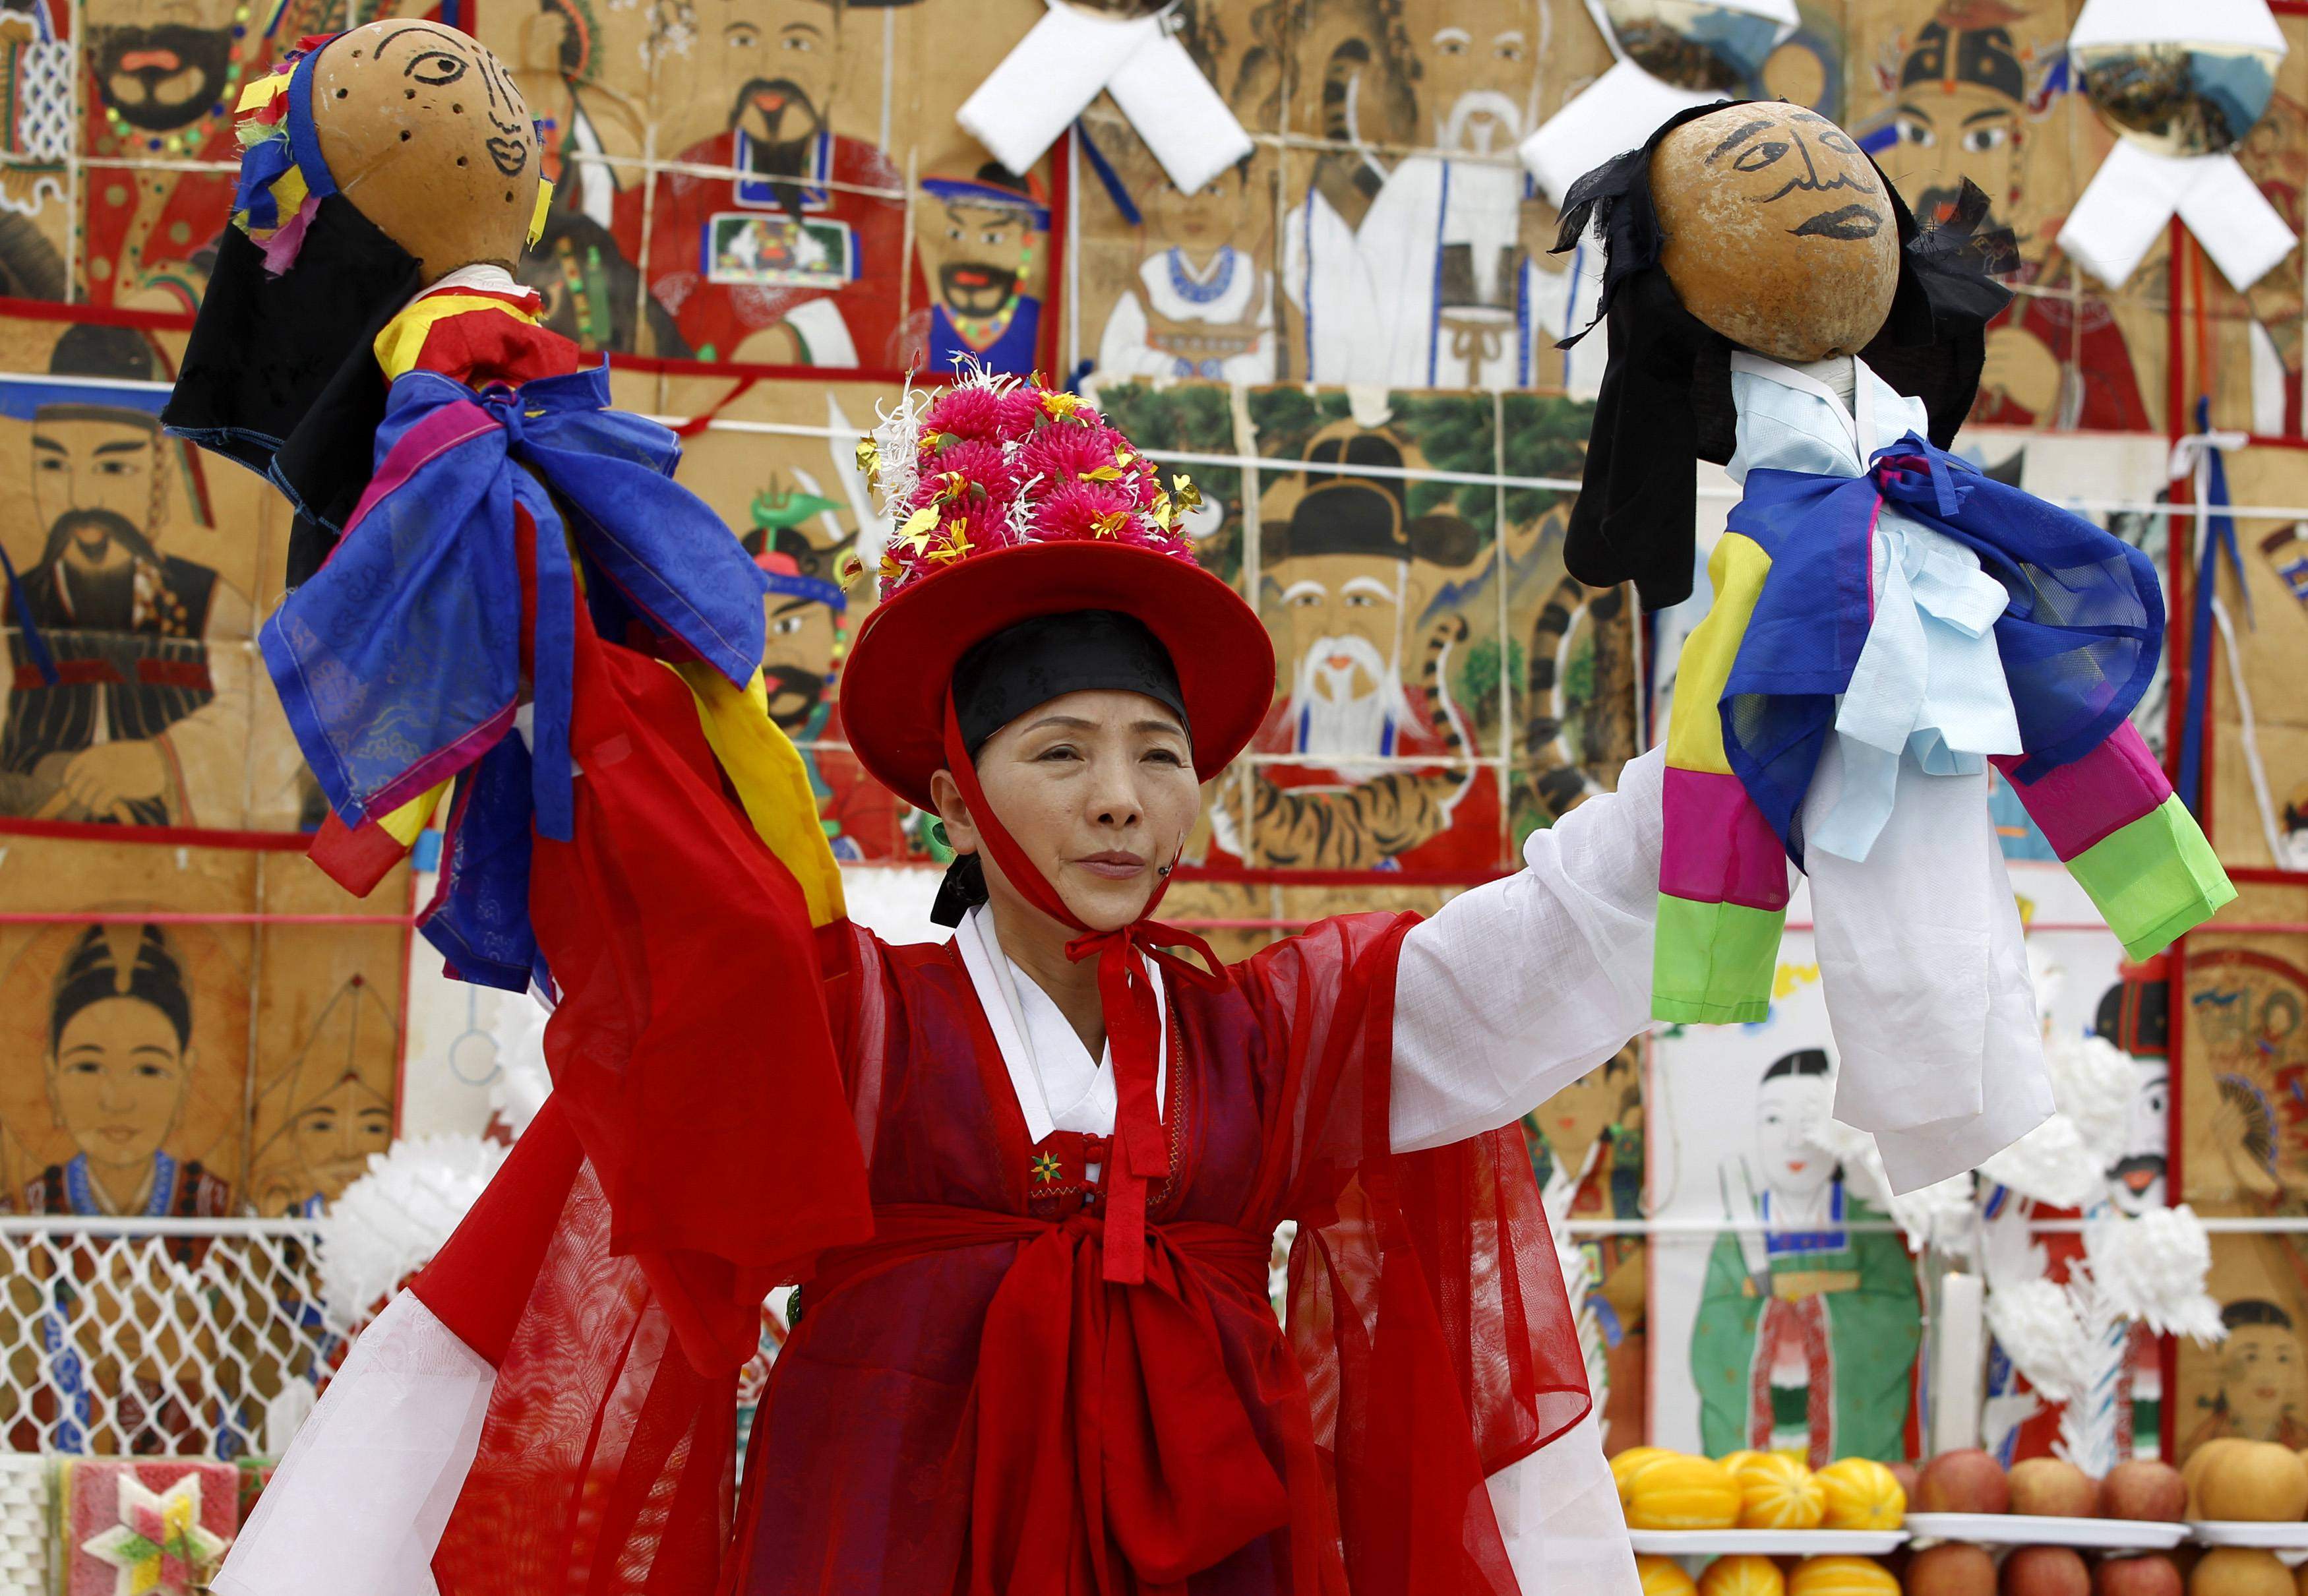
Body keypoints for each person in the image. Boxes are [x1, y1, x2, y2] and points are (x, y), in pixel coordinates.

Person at [221, 367, 1664, 1596]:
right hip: (875, 1540)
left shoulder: (1267, 1040)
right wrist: (541, 574)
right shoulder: (857, 1028)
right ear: (956, 799)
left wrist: (1728, 752)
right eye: (1060, 753)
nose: (1120, 800)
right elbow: (674, 905)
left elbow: (1537, 945)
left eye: (1158, 754)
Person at [0, 322, 255, 826]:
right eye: (53, 466)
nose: (81, 501)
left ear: (159, 476)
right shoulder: (13, 605)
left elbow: (270, 719)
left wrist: (162, 761)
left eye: (113, 470)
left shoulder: (209, 604)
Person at [1691, 1051, 1922, 1466]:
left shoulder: (1867, 1226)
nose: (1793, 1141)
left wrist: (1814, 1314)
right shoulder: (1735, 1235)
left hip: (1847, 1436)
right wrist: (1772, 1319)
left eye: (1810, 1122)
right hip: (1768, 1419)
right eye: (1775, 1120)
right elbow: (1713, 1330)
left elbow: (1897, 1317)